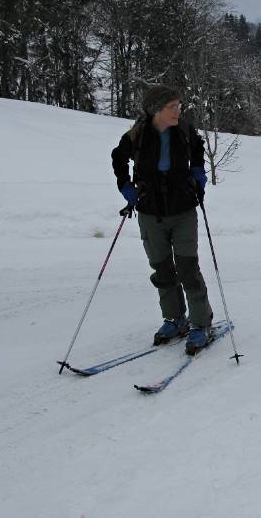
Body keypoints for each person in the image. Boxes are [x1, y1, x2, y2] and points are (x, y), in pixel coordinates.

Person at [111, 85, 214, 355]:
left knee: (188, 268)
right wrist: (126, 187)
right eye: (173, 107)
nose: (178, 111)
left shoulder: (184, 131)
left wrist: (199, 178)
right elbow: (118, 158)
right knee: (162, 268)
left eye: (179, 106)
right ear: (156, 109)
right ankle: (175, 319)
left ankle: (201, 324)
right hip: (150, 211)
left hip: (183, 210)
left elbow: (198, 152)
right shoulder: (138, 134)